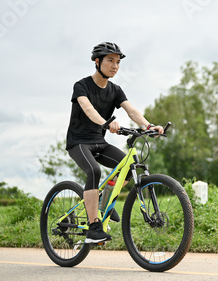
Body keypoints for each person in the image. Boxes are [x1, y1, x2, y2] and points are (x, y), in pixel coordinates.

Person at [65, 42, 164, 243]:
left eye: (118, 62)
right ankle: (94, 228)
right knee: (94, 171)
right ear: (97, 61)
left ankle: (104, 202)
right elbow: (88, 108)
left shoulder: (115, 90)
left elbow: (131, 111)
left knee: (128, 168)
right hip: (79, 142)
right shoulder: (81, 86)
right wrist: (105, 123)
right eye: (110, 60)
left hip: (98, 141)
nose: (115, 66)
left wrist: (148, 125)